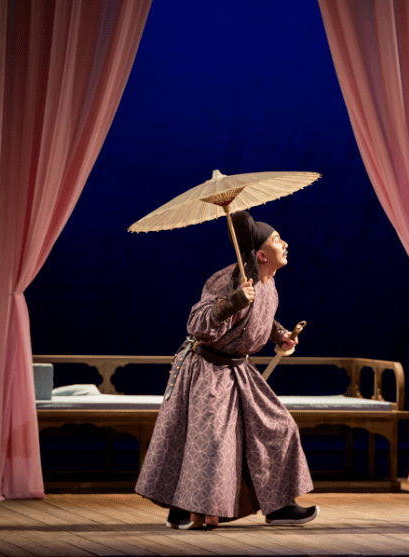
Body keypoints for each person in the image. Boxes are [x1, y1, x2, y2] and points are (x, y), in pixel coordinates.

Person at [136, 210, 318, 529]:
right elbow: (197, 324)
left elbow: (260, 317)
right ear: (261, 254)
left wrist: (280, 335)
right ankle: (183, 509)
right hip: (207, 368)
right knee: (211, 441)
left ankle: (279, 505)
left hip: (238, 370)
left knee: (279, 426)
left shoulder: (268, 284)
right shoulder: (228, 280)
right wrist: (233, 300)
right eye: (277, 239)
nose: (285, 243)